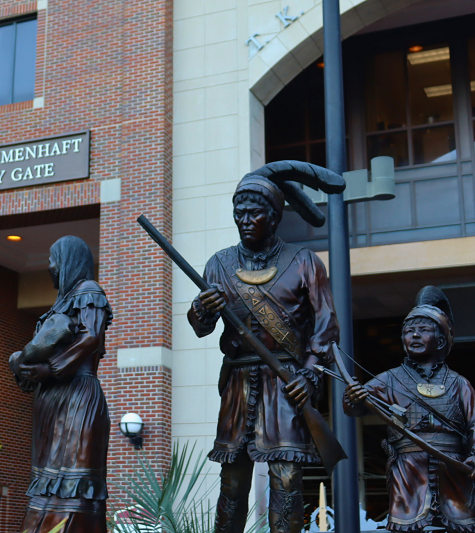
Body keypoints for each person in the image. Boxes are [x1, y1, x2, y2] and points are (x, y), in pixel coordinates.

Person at [187, 163, 342, 533]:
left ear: (274, 217)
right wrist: (200, 311)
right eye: (238, 213)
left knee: (287, 479)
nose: (244, 220)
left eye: (254, 212)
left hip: (286, 379)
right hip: (238, 383)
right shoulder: (219, 264)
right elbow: (201, 328)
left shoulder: (304, 262)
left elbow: (326, 325)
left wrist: (309, 373)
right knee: (233, 481)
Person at [344, 286, 475, 532]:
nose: (414, 336)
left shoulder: (459, 383)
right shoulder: (388, 379)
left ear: (440, 339)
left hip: (453, 470)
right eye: (409, 331)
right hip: (408, 470)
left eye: (423, 330)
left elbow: (474, 424)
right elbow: (355, 408)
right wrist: (353, 398)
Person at [9, 235, 111, 533]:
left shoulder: (89, 292)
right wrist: (23, 367)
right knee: (48, 484)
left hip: (78, 398)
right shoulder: (59, 305)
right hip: (52, 402)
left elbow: (90, 337)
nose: (50, 268)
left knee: (74, 482)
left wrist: (50, 370)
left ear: (68, 262)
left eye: (53, 261)